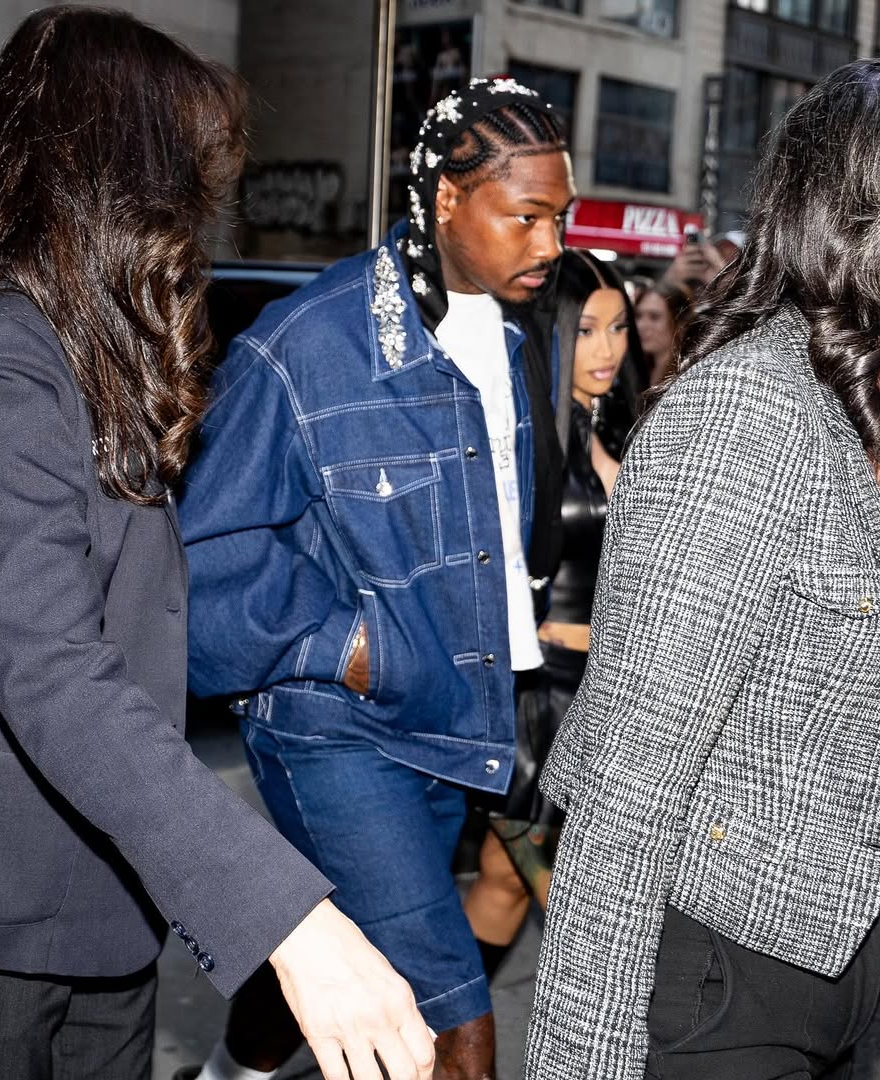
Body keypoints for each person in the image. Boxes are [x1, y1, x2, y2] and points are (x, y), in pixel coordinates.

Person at [0, 9, 434, 1080]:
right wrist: (286, 918)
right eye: (185, 174)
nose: (200, 212)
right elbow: (53, 671)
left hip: (103, 919)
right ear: (115, 174)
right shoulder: (0, 359)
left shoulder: (88, 360)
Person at [526, 57, 880, 1080]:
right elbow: (626, 794)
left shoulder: (866, 414)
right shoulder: (748, 418)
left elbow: (863, 722)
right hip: (707, 988)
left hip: (826, 976)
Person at [178, 78, 575, 1080]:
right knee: (450, 1016)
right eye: (524, 216)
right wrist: (350, 651)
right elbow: (206, 557)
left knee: (335, 942)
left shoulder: (520, 338)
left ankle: (232, 1071)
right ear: (446, 198)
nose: (551, 244)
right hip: (338, 732)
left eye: (560, 217)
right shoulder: (305, 347)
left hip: (458, 723)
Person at [463, 249, 645, 972]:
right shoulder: (522, 433)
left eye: (620, 328)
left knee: (505, 881)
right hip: (542, 698)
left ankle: (423, 1045)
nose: (607, 350)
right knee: (583, 918)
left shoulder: (620, 424)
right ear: (551, 331)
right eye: (589, 329)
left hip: (607, 693)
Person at [635, 278, 690, 385]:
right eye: (638, 316)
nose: (641, 325)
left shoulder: (687, 375)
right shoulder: (638, 369)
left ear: (680, 323)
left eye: (654, 317)